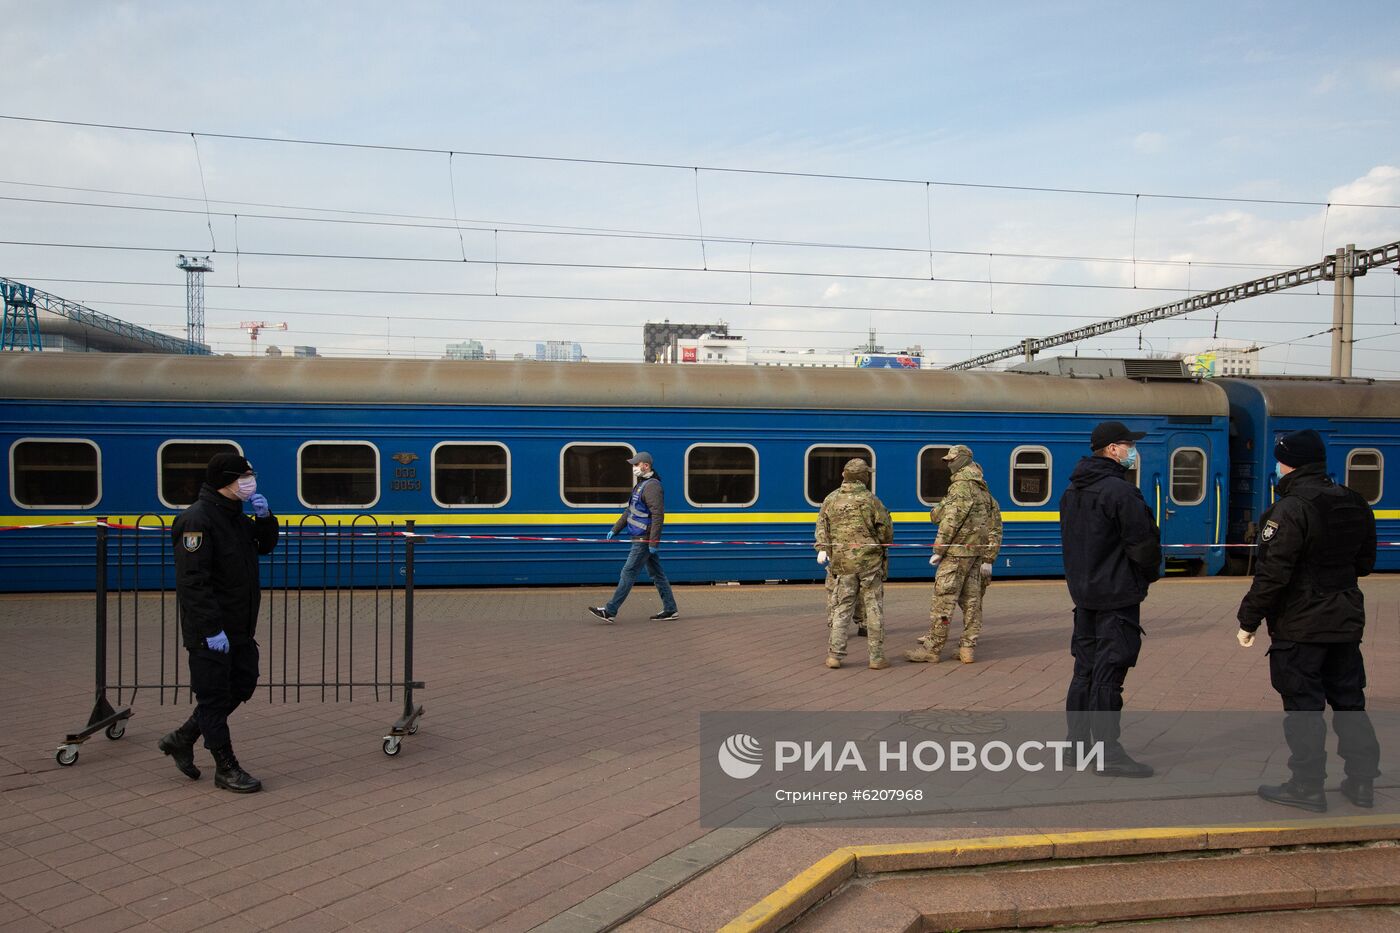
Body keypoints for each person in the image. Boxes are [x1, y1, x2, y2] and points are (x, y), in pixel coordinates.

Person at [1236, 428, 1379, 812]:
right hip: (1346, 621)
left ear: (1289, 464)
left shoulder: (1290, 509)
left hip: (1300, 626)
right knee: (1350, 702)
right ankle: (1362, 783)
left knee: (1304, 707)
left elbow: (1273, 575)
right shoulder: (1354, 501)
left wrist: (1248, 619)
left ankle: (1307, 786)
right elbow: (1365, 563)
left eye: (1281, 459)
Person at [159, 452, 278, 793]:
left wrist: (265, 517)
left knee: (243, 682)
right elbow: (193, 582)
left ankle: (183, 737)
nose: (250, 481)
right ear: (226, 480)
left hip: (239, 626)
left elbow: (264, 545)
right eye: (244, 476)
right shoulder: (196, 521)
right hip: (210, 631)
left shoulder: (236, 517)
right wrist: (211, 630)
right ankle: (225, 768)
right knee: (212, 697)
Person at [1060, 421, 1161, 778]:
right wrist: (1144, 578)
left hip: (1084, 595)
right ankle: (1107, 754)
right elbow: (1144, 544)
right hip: (1116, 595)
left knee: (1083, 671)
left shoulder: (1073, 490)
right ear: (1113, 450)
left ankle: (1077, 747)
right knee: (1109, 674)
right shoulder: (1120, 492)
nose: (1133, 450)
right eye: (1128, 444)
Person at [907, 444, 1002, 665]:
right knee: (972, 602)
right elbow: (996, 526)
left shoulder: (960, 487)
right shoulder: (984, 490)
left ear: (963, 461)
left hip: (957, 554)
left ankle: (932, 649)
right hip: (977, 555)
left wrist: (938, 550)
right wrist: (989, 557)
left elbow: (951, 521)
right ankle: (967, 649)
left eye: (951, 459)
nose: (948, 463)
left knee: (944, 600)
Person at [815, 458, 893, 670]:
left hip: (842, 562)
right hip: (869, 562)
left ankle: (835, 656)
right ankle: (876, 657)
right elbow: (886, 532)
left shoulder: (830, 499)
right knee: (873, 607)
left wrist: (822, 549)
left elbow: (822, 527)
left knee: (843, 606)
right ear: (863, 476)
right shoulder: (871, 500)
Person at [589, 451, 679, 623]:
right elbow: (630, 511)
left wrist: (653, 542)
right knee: (657, 575)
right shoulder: (641, 485)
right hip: (640, 537)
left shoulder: (652, 486)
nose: (634, 468)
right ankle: (670, 609)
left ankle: (610, 611)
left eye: (636, 465)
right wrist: (615, 529)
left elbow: (657, 515)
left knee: (628, 572)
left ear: (646, 465)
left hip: (643, 539)